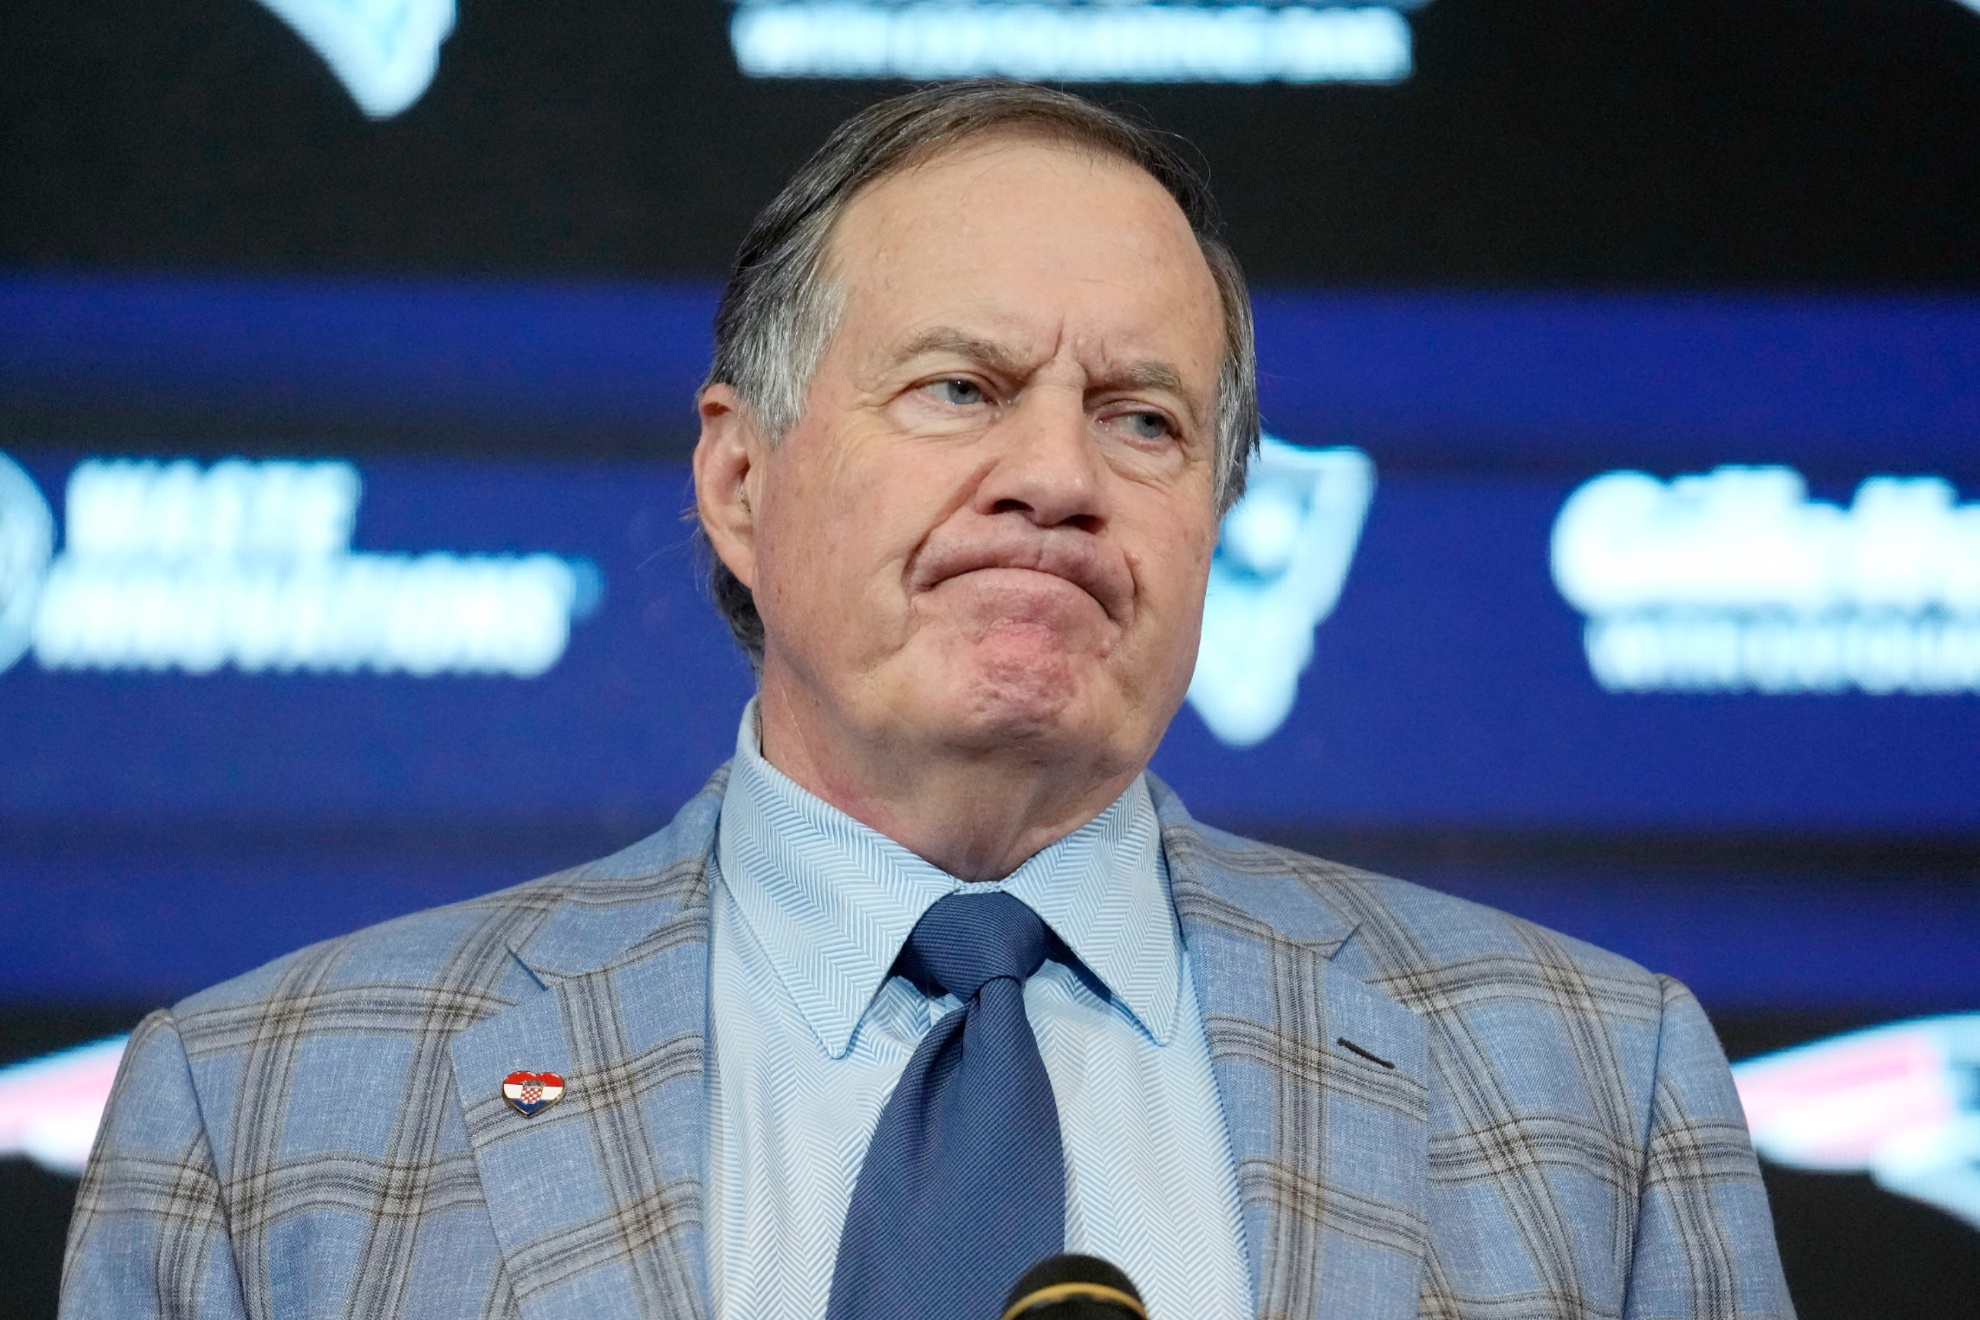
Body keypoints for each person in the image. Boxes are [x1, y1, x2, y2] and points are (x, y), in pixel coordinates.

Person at [62, 81, 1794, 1320]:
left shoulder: (1592, 1094)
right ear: (740, 482)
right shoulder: (260, 1114)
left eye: (1143, 418)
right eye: (962, 388)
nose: (1058, 477)